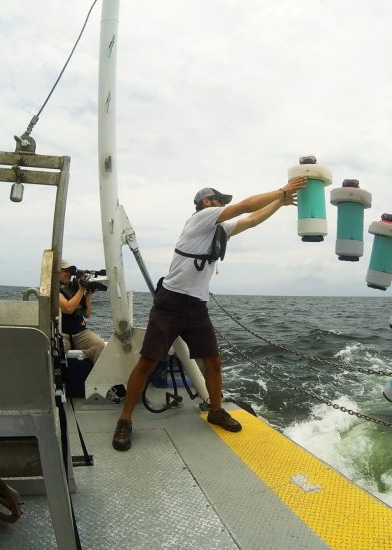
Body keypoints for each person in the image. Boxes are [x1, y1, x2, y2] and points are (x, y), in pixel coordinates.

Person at [112, 177, 307, 451]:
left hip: (196, 306)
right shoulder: (201, 219)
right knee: (148, 361)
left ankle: (215, 410)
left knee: (213, 362)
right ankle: (125, 419)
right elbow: (246, 206)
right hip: (170, 303)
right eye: (220, 202)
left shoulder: (217, 230)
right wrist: (283, 189)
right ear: (207, 202)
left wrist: (279, 202)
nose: (224, 206)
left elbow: (251, 219)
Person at [59, 259, 105, 364]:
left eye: (69, 271)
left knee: (99, 345)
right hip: (63, 334)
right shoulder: (55, 289)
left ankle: (98, 378)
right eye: (64, 271)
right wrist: (82, 289)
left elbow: (87, 314)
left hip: (80, 332)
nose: (68, 274)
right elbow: (68, 309)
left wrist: (87, 294)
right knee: (58, 356)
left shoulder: (74, 287)